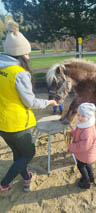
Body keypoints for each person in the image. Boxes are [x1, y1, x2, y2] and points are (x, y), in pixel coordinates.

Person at [0, 20, 58, 193]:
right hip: (17, 124)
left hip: (2, 123)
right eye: (27, 54)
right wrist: (49, 102)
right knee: (29, 153)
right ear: (19, 54)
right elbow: (30, 102)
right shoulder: (19, 74)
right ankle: (4, 183)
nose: (28, 57)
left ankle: (26, 178)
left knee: (19, 154)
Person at [68, 103, 96, 189]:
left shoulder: (87, 131)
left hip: (85, 153)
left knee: (81, 166)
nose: (79, 118)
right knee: (87, 165)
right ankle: (91, 177)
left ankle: (86, 181)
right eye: (78, 115)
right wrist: (72, 133)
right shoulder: (84, 124)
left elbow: (83, 146)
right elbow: (78, 131)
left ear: (88, 117)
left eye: (82, 116)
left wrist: (71, 147)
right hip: (86, 154)